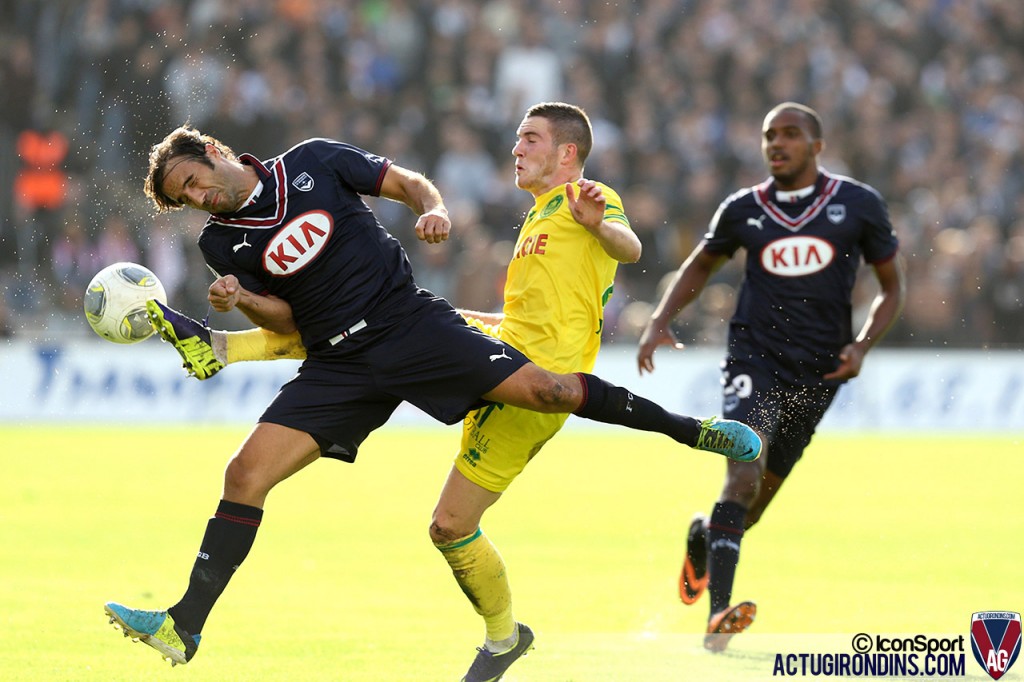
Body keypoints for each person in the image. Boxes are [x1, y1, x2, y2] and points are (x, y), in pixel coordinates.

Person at [104, 119, 763, 678]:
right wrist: (245, 299)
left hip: (407, 325)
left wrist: (432, 208)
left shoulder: (310, 162)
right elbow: (287, 319)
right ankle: (182, 625)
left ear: (215, 152)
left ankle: (690, 431)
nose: (197, 197)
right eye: (184, 198)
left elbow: (406, 183)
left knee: (545, 389)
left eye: (193, 181)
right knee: (244, 474)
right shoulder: (222, 242)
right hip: (340, 361)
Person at [636, 102, 905, 653]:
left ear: (817, 146)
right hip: (753, 359)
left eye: (790, 135)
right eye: (769, 136)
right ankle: (717, 621)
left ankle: (705, 542)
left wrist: (862, 347)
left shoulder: (858, 205)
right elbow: (701, 265)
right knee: (742, 474)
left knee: (755, 500)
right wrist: (660, 320)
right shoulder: (744, 209)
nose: (777, 144)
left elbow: (892, 287)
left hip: (820, 370)